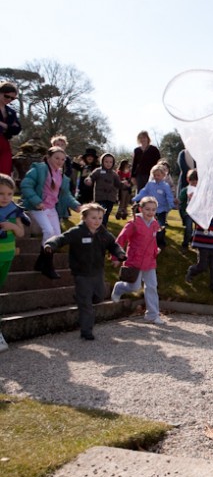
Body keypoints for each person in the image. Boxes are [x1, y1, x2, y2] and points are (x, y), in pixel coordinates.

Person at [44, 203, 127, 340]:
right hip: (81, 273)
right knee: (86, 305)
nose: (97, 221)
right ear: (84, 218)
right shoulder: (77, 232)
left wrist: (120, 254)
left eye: (100, 218)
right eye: (93, 218)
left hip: (97, 272)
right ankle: (86, 331)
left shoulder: (103, 233)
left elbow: (113, 245)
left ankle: (81, 297)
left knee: (100, 296)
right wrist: (51, 244)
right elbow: (61, 238)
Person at [21, 146, 81, 279]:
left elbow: (66, 195)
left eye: (63, 159)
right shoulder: (39, 169)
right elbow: (26, 185)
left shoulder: (61, 176)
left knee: (57, 236)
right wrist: (36, 201)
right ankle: (48, 266)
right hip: (37, 207)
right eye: (57, 158)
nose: (60, 161)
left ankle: (40, 263)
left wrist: (76, 205)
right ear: (48, 158)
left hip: (51, 208)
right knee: (48, 231)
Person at [111, 196, 162, 323]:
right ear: (141, 208)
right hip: (135, 260)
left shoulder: (155, 223)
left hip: (150, 261)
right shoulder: (133, 223)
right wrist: (116, 256)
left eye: (153, 210)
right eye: (147, 209)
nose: (150, 212)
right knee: (134, 287)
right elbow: (120, 239)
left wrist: (156, 251)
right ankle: (119, 288)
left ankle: (153, 315)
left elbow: (153, 241)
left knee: (152, 286)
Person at [132, 164, 175, 249]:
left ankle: (160, 242)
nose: (156, 177)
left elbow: (169, 196)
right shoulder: (150, 184)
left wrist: (171, 204)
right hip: (151, 209)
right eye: (154, 175)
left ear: (163, 175)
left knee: (160, 225)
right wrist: (136, 198)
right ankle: (149, 240)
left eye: (158, 175)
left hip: (161, 209)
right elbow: (143, 192)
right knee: (150, 224)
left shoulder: (165, 186)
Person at [0, 173, 29, 289]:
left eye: (9, 194)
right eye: (1, 194)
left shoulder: (14, 212)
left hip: (8, 255)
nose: (5, 197)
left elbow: (21, 233)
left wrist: (12, 226)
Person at [85, 152, 121, 227]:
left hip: (111, 197)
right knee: (100, 212)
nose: (108, 164)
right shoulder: (98, 171)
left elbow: (118, 184)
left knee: (107, 213)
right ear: (102, 162)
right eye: (106, 161)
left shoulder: (114, 174)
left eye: (110, 162)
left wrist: (124, 185)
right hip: (100, 196)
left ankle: (103, 226)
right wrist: (88, 180)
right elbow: (91, 177)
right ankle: (99, 226)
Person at [0, 81, 21, 176]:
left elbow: (17, 129)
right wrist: (9, 126)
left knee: (5, 174)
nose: (9, 99)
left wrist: (4, 126)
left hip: (5, 144)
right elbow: (12, 127)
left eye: (12, 98)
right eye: (7, 96)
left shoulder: (11, 112)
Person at [179, 169, 197, 250]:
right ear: (188, 180)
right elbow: (180, 199)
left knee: (198, 229)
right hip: (188, 213)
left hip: (197, 213)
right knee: (188, 228)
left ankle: (195, 242)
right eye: (192, 182)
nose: (194, 184)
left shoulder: (200, 190)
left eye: (196, 182)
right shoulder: (186, 190)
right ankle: (185, 244)